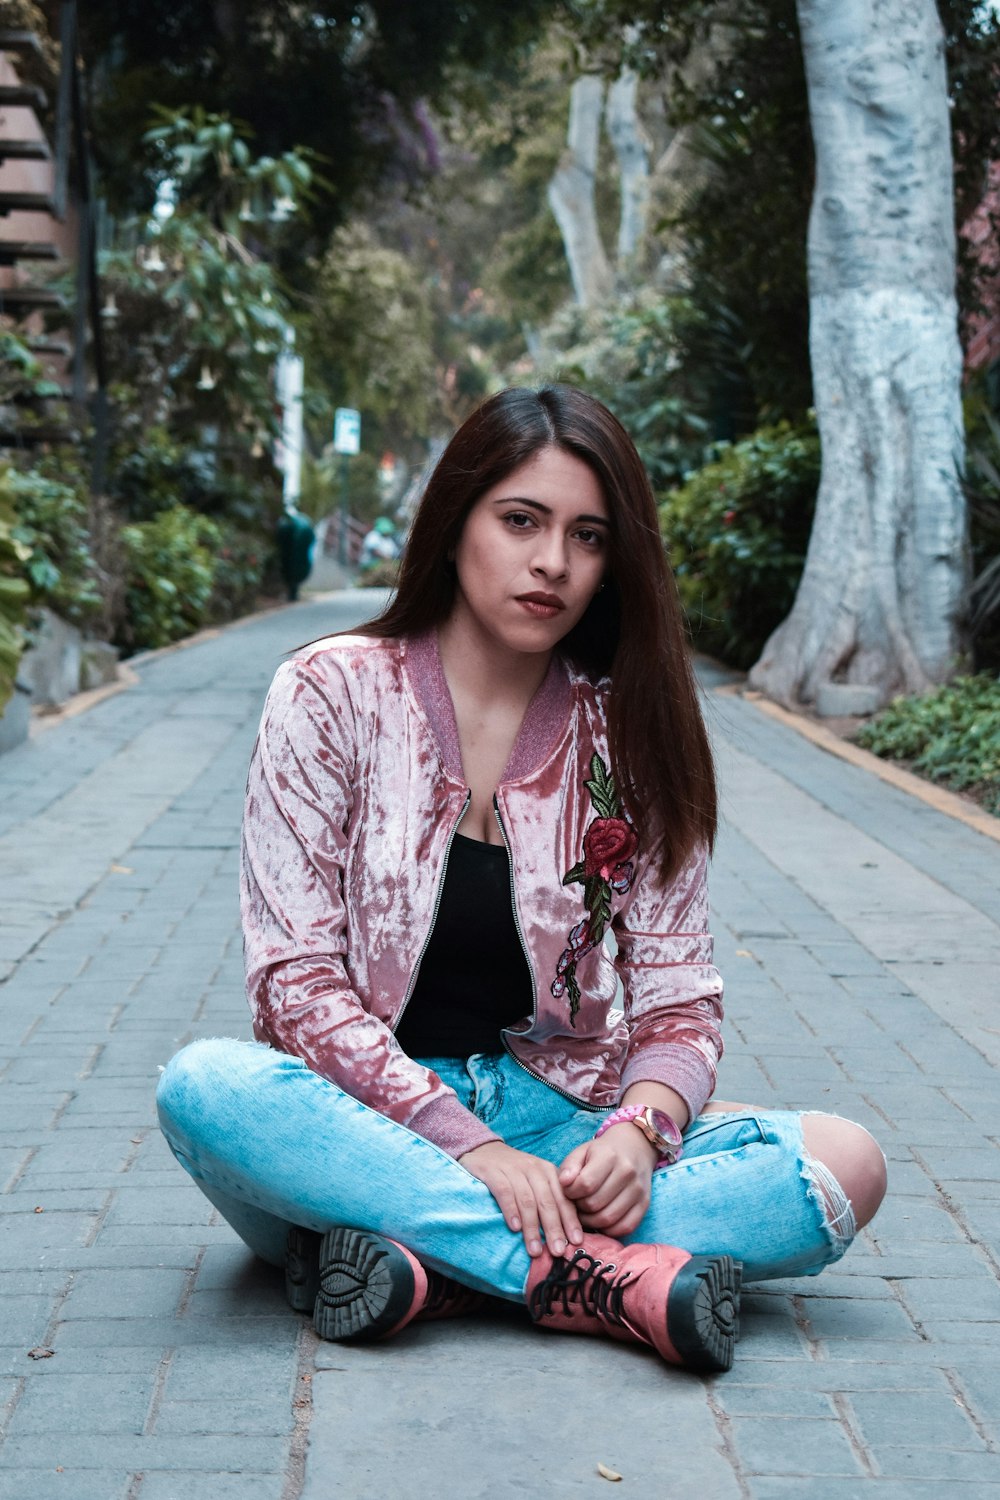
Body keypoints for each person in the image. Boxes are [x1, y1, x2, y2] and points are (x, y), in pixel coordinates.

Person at [157, 386, 886, 1374]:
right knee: (208, 1090)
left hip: (559, 1130)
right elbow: (293, 985)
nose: (552, 563)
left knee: (847, 1166)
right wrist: (463, 1146)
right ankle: (592, 1276)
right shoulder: (330, 692)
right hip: (359, 1128)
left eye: (587, 536)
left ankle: (435, 1269)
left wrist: (637, 1133)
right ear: (455, 520)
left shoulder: (628, 726)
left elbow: (677, 1003)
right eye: (521, 521)